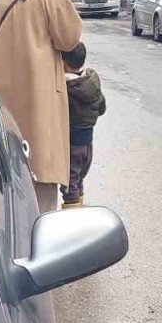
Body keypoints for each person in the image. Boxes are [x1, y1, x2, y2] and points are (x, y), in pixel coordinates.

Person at [0, 0, 83, 213]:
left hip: (4, 114)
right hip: (41, 109)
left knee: (11, 192)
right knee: (42, 191)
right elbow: (69, 39)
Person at [61, 42, 105, 207]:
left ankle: (72, 216)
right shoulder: (91, 83)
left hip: (72, 144)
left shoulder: (66, 87)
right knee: (78, 179)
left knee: (69, 182)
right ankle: (79, 207)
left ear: (63, 62)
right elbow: (102, 108)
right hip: (87, 143)